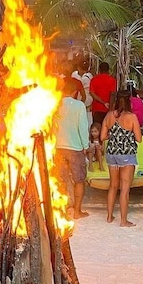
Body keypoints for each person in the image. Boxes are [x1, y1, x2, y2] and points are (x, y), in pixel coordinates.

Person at [100, 90, 142, 226]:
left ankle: (109, 216)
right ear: (129, 101)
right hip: (126, 154)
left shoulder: (109, 116)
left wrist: (114, 136)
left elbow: (102, 137)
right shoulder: (132, 117)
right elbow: (139, 139)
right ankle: (123, 221)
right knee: (124, 189)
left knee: (113, 186)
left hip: (111, 154)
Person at [54, 77, 91, 219]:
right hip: (75, 148)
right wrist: (85, 146)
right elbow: (82, 127)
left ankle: (61, 211)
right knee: (79, 180)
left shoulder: (54, 105)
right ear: (75, 92)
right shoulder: (79, 106)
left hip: (58, 147)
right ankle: (77, 211)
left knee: (60, 180)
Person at [89, 62, 117, 126]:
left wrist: (103, 103)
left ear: (99, 70)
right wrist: (110, 109)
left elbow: (92, 93)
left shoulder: (94, 79)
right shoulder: (112, 80)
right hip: (108, 110)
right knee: (107, 128)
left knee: (97, 128)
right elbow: (112, 94)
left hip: (96, 109)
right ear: (108, 70)